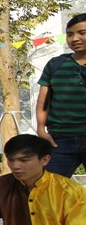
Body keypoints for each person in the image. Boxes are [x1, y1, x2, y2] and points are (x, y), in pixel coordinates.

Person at [35, 13, 86, 177]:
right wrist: (41, 129)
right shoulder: (55, 64)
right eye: (70, 34)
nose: (75, 38)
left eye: (82, 33)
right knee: (48, 190)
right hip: (59, 140)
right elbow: (44, 101)